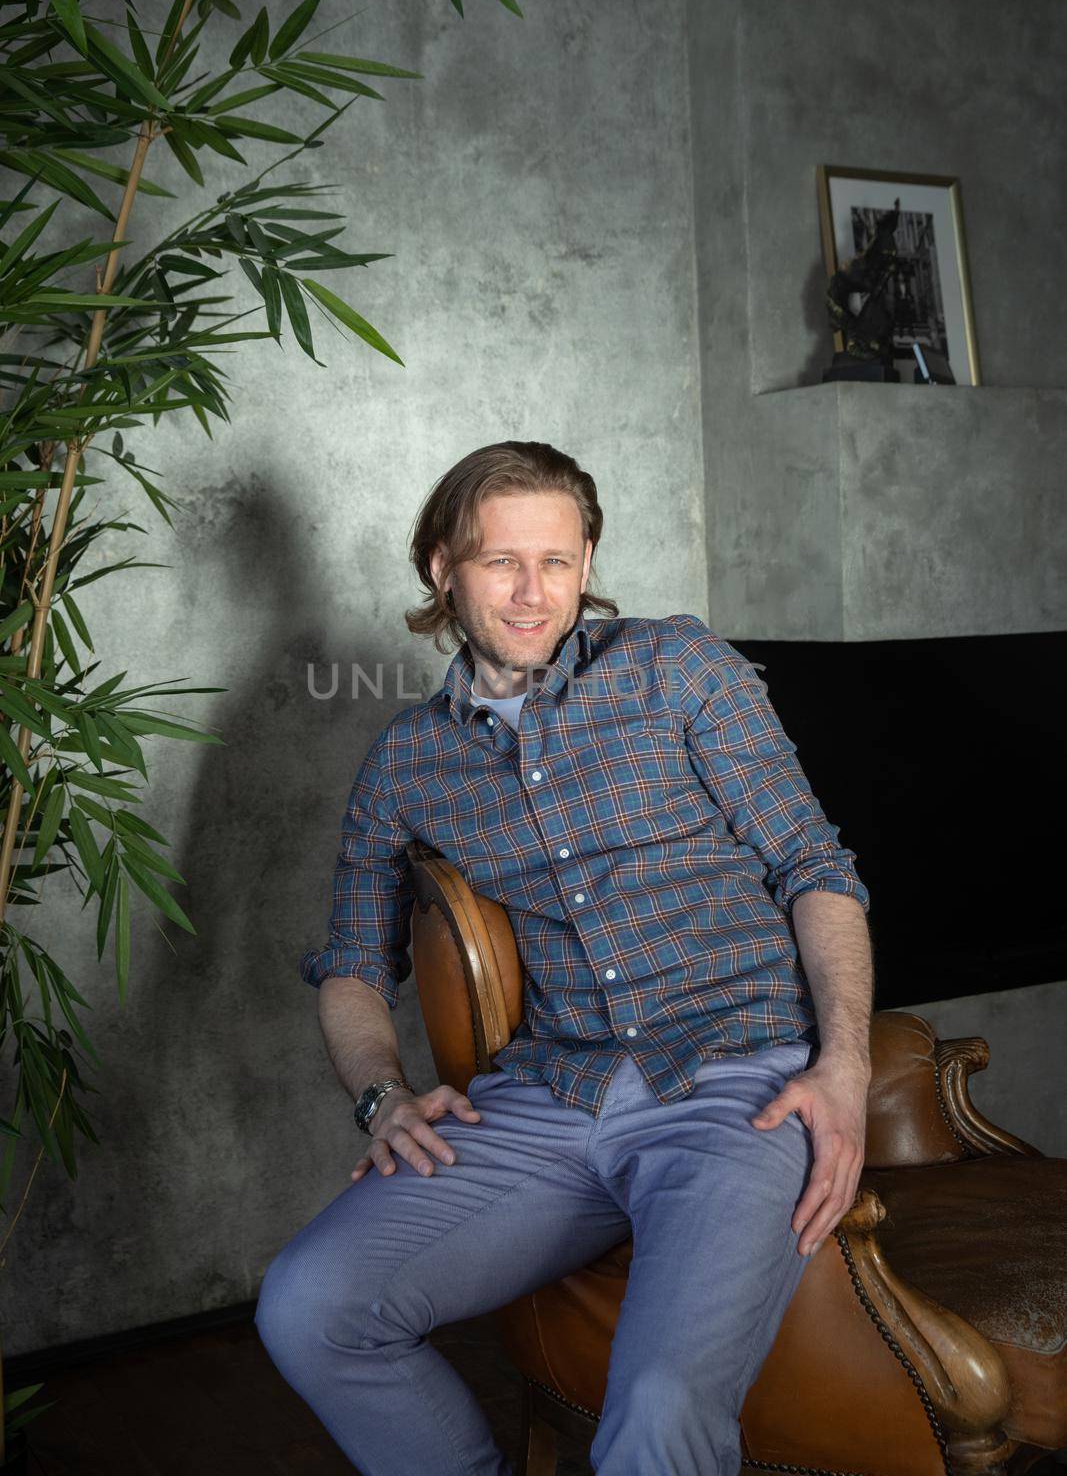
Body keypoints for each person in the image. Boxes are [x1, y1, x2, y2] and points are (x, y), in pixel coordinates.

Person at [255, 440, 873, 1475]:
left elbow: (814, 866)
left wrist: (843, 1060)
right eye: (501, 562)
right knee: (310, 1305)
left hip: (739, 1084)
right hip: (556, 1094)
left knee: (661, 1404)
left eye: (558, 559)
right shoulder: (407, 759)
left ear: (587, 562)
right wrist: (381, 1095)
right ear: (441, 570)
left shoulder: (678, 667)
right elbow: (354, 964)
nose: (533, 592)